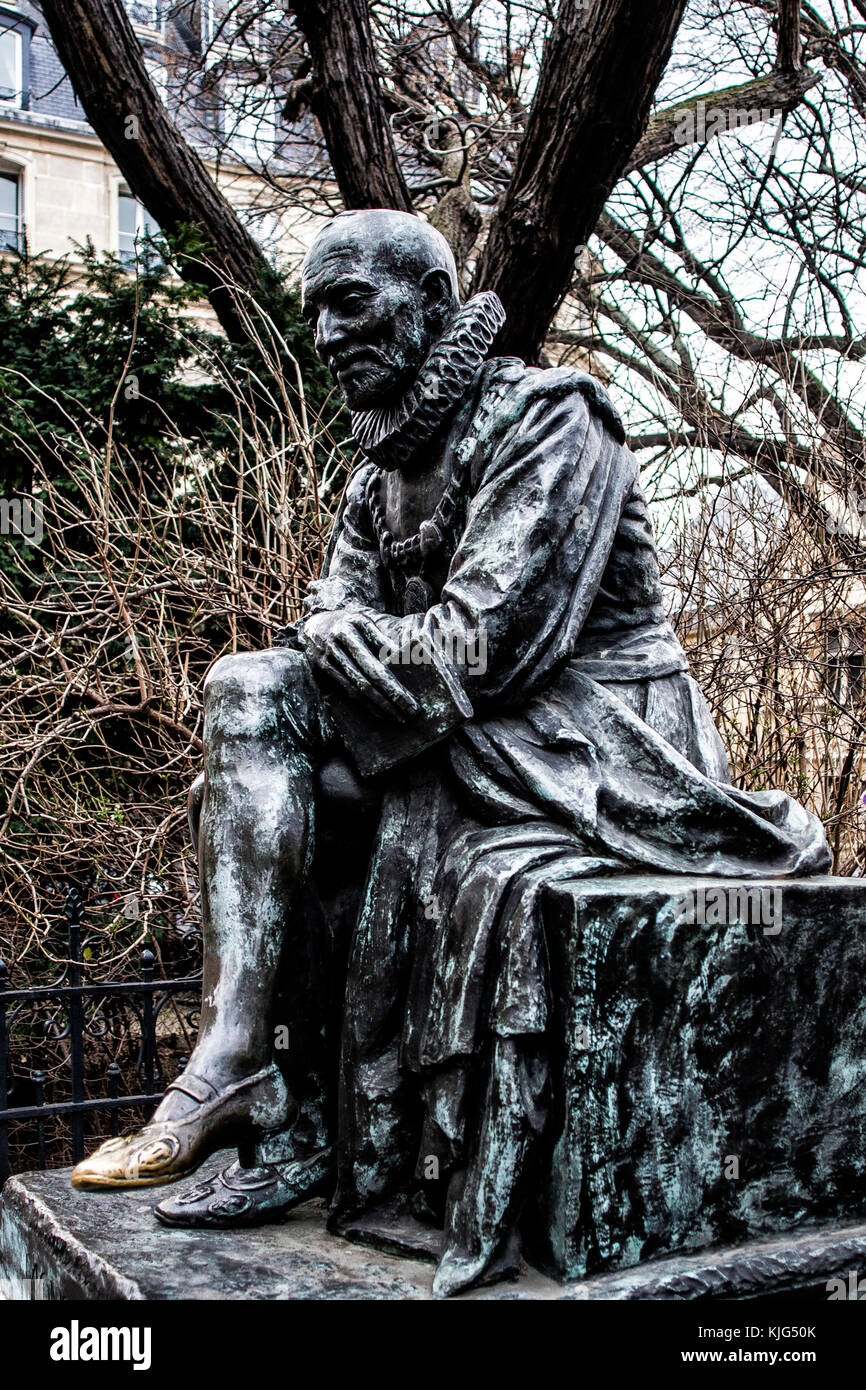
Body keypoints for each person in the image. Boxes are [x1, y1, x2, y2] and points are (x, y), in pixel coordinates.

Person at [72, 209, 831, 1297]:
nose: (327, 336)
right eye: (313, 315)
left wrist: (335, 635)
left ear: (431, 301)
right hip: (458, 737)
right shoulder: (376, 467)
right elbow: (323, 640)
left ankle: (307, 1126)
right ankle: (246, 1069)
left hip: (589, 741)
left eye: (351, 303)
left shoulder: (553, 419)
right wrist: (330, 639)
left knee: (323, 769)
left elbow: (478, 644)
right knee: (246, 698)